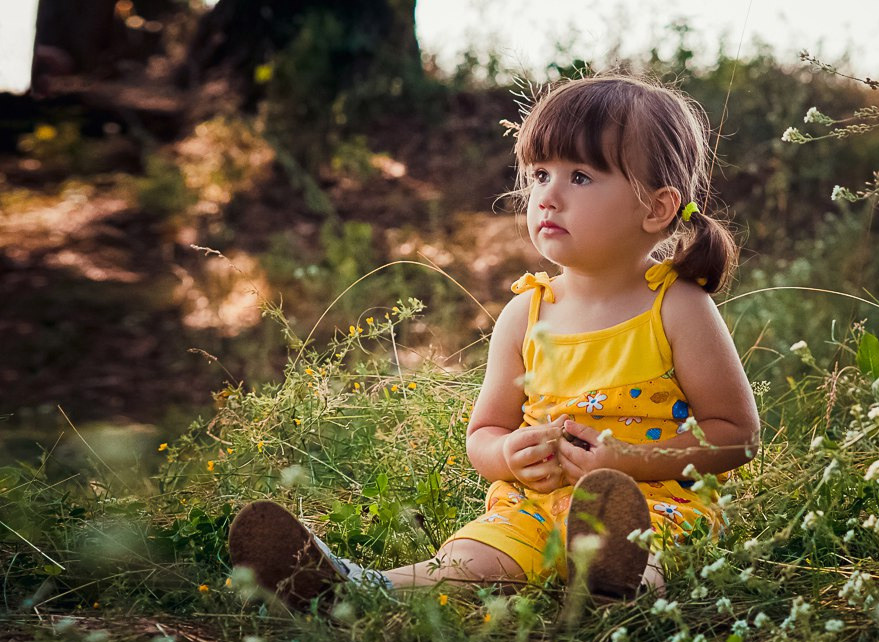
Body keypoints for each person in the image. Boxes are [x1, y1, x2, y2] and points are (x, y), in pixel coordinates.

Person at [228, 73, 760, 607]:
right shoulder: (526, 313)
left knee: (639, 550)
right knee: (468, 560)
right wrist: (508, 454)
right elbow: (484, 433)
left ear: (656, 208)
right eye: (539, 174)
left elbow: (737, 434)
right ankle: (354, 588)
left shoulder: (677, 307)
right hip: (533, 506)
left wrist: (630, 461)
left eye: (579, 177)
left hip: (651, 504)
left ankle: (614, 593)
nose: (547, 197)